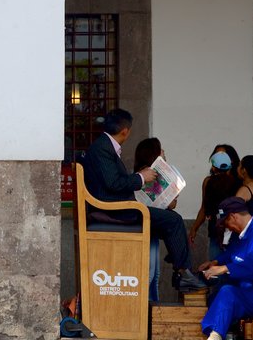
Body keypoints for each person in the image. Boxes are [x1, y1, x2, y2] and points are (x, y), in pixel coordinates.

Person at [80, 109, 206, 292]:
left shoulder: (103, 147)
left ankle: (182, 271)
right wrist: (141, 177)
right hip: (114, 210)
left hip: (117, 206)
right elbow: (114, 183)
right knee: (174, 220)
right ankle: (183, 273)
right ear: (125, 131)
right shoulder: (103, 149)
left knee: (169, 219)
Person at [197, 197, 253, 340]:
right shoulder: (248, 233)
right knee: (216, 295)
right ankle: (214, 333)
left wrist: (223, 269)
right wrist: (214, 262)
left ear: (233, 216)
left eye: (226, 222)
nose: (227, 227)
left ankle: (215, 336)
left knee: (228, 293)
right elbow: (233, 253)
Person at [132, 137, 176, 302]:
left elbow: (172, 204)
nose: (164, 152)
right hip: (145, 228)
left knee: (154, 274)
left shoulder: (151, 174)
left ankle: (153, 313)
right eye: (160, 150)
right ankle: (144, 314)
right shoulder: (146, 176)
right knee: (149, 273)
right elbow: (171, 204)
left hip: (153, 229)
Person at [189, 144, 241, 260]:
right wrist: (194, 228)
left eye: (223, 155)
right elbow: (204, 207)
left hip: (235, 232)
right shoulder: (208, 182)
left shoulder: (239, 182)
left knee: (230, 269)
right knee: (215, 268)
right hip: (215, 232)